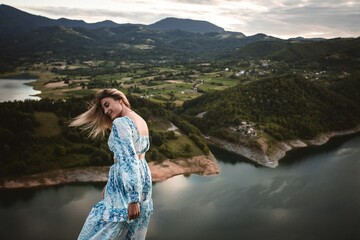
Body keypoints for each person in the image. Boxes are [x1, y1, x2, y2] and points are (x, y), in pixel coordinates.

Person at [70, 89, 153, 240]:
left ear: (120, 99)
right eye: (103, 108)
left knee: (99, 227)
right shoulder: (140, 120)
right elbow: (139, 158)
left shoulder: (121, 123)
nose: (106, 111)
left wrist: (133, 199)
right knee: (130, 231)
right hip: (142, 179)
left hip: (128, 186)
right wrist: (110, 184)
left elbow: (128, 160)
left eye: (107, 105)